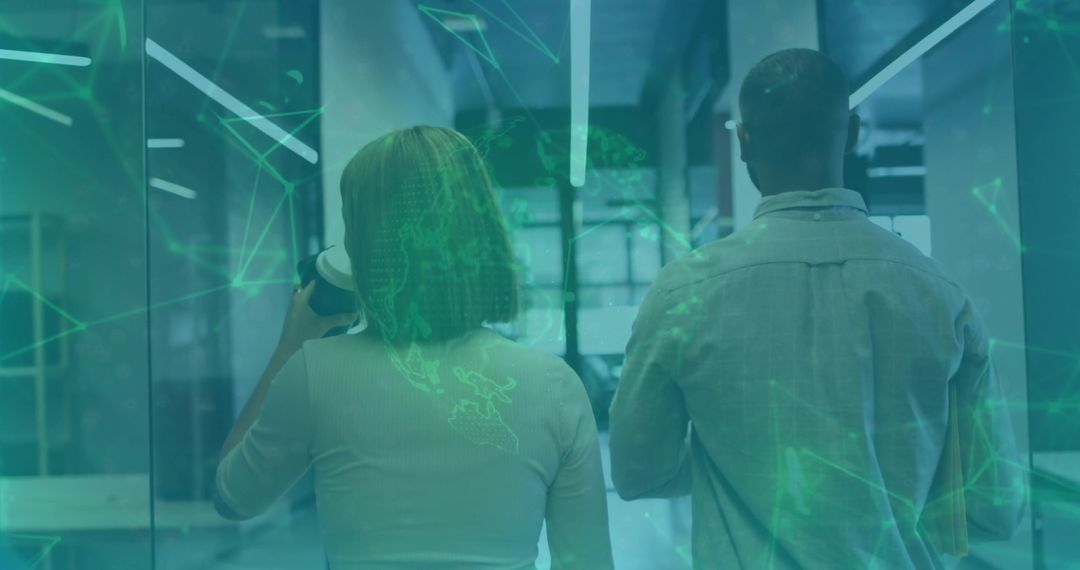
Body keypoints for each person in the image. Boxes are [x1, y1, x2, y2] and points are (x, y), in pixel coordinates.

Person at [608, 48, 1026, 569]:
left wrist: (743, 452)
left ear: (743, 141)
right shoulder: (939, 294)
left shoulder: (683, 294)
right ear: (852, 133)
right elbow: (996, 507)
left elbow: (636, 472)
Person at [215, 126, 614, 570]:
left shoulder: (314, 372)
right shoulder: (553, 384)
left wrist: (291, 346)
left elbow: (233, 497)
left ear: (363, 246)